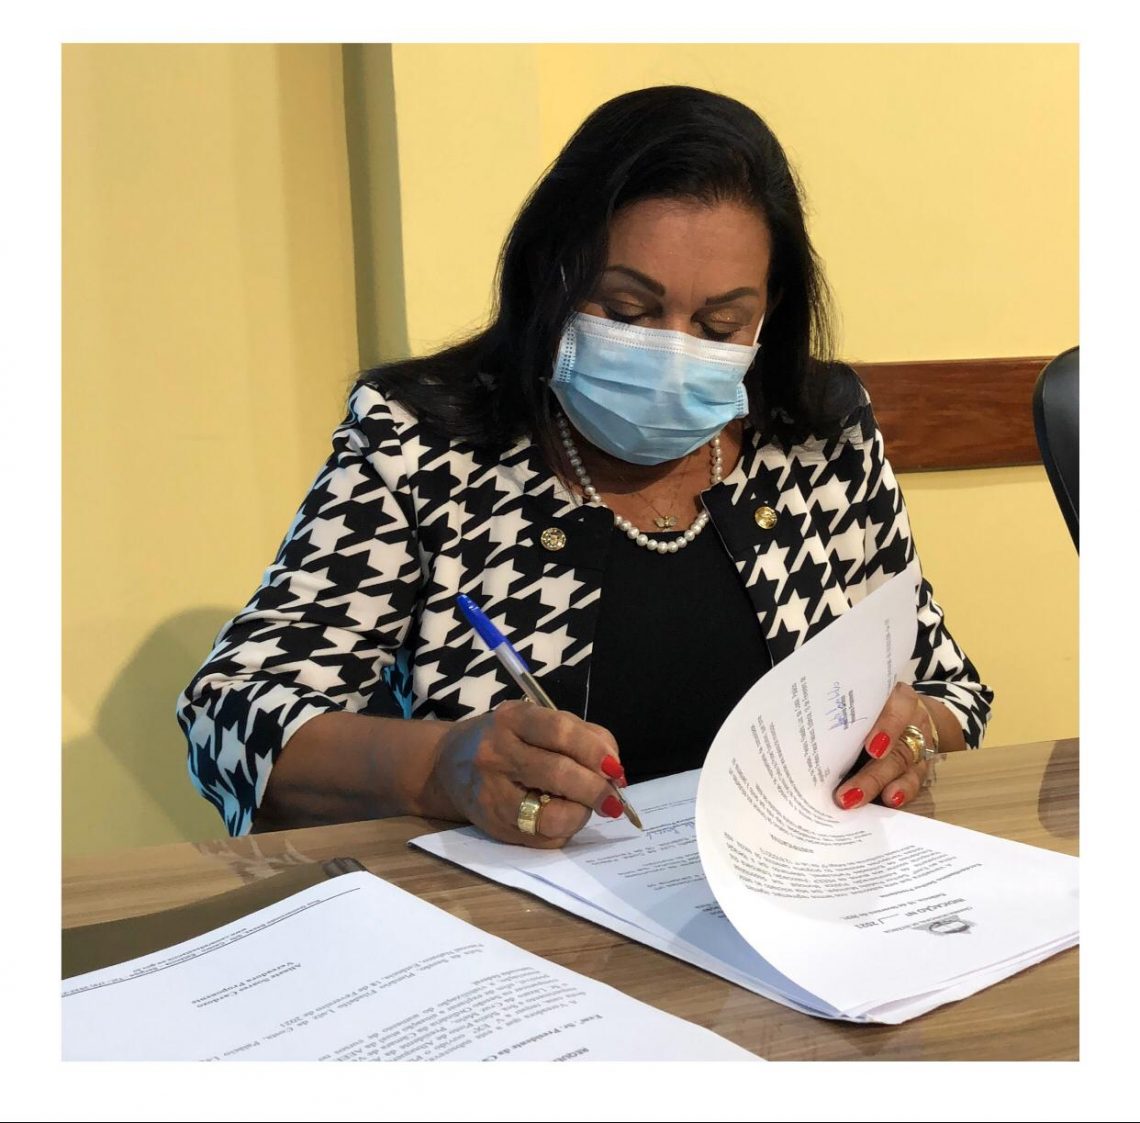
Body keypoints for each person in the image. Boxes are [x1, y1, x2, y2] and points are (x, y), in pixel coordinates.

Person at [177, 85, 992, 847]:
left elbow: (949, 689)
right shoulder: (423, 444)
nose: (673, 350)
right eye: (629, 309)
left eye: (720, 324)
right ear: (553, 274)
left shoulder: (819, 434)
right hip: (516, 927)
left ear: (767, 315)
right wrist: (441, 768)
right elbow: (231, 714)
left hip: (795, 901)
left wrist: (911, 735)